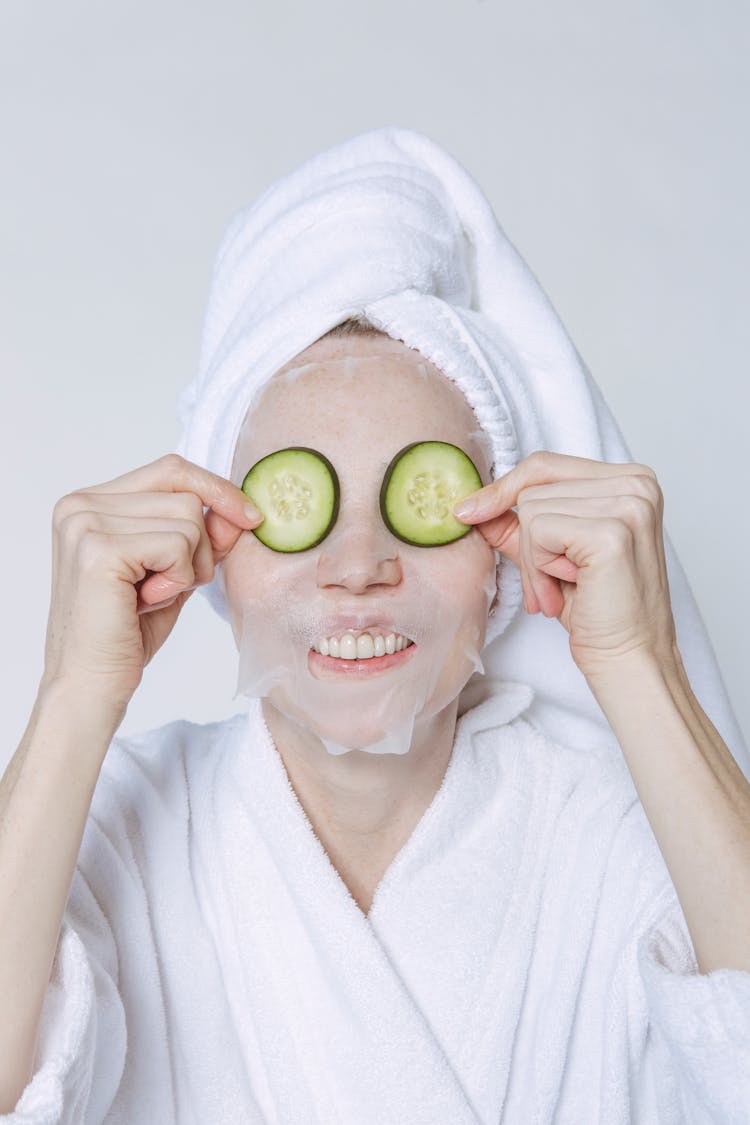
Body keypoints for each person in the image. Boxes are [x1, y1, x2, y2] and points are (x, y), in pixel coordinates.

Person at [1, 128, 749, 1123]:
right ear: (217, 550)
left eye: (423, 501)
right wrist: (71, 695)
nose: (358, 566)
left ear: (504, 557)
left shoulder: (614, 829)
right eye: (299, 501)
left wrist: (640, 663)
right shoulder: (117, 820)